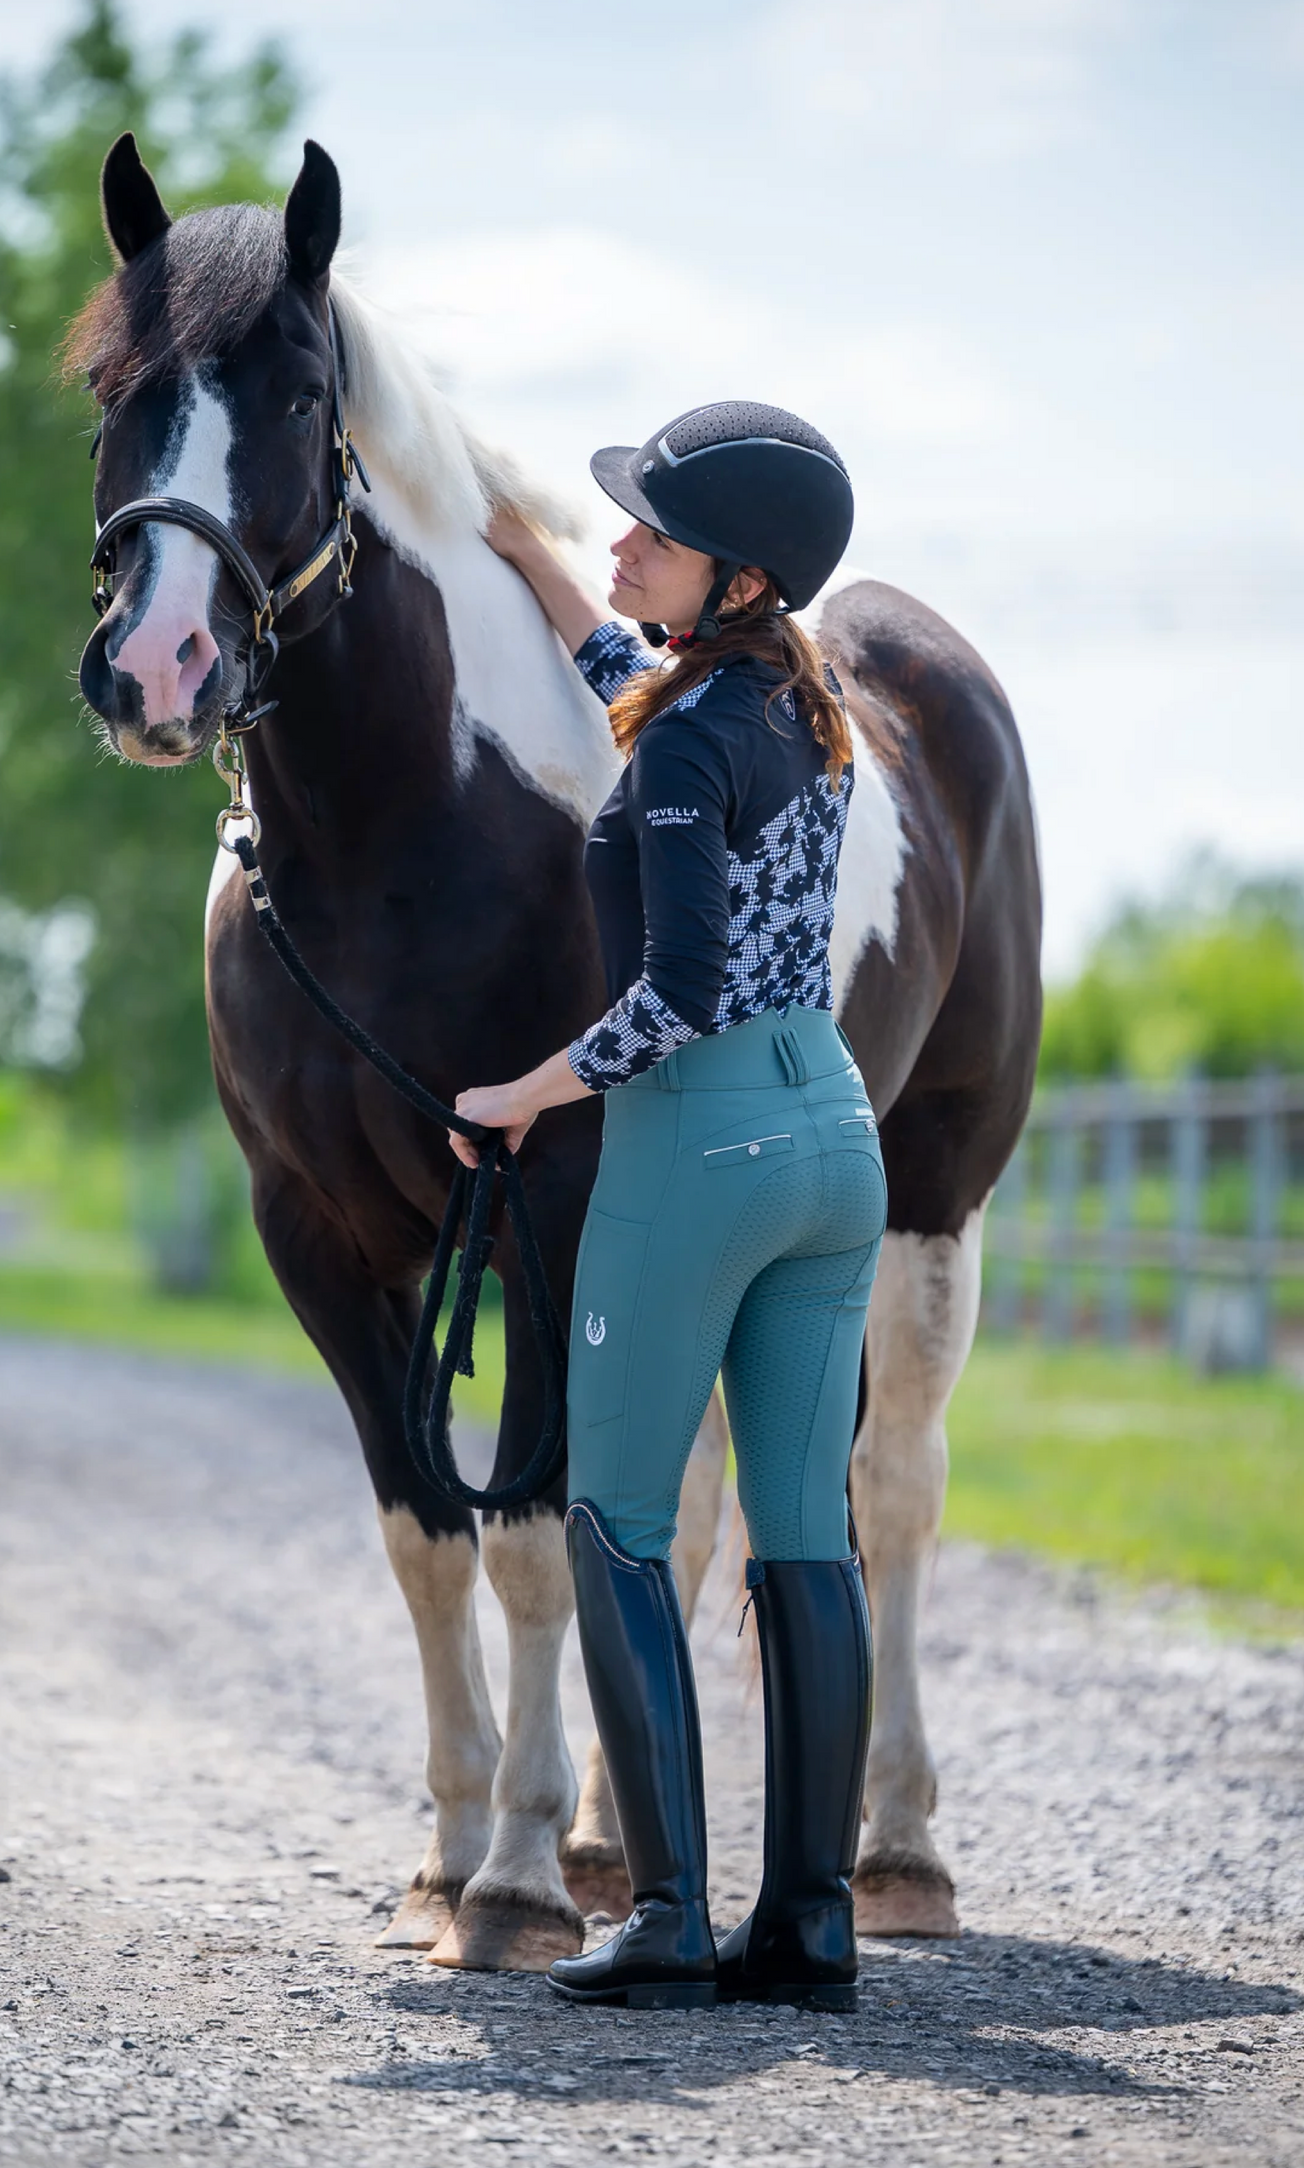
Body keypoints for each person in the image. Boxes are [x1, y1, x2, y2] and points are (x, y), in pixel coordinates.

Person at [449, 403, 885, 2012]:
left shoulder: (695, 735)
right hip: (833, 1136)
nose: (621, 543)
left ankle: (672, 1912)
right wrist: (543, 569)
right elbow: (623, 685)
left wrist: (523, 1092)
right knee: (801, 1532)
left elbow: (679, 993)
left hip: (698, 1143)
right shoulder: (795, 702)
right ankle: (815, 1926)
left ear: (741, 576)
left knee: (618, 1517)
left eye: (652, 532)